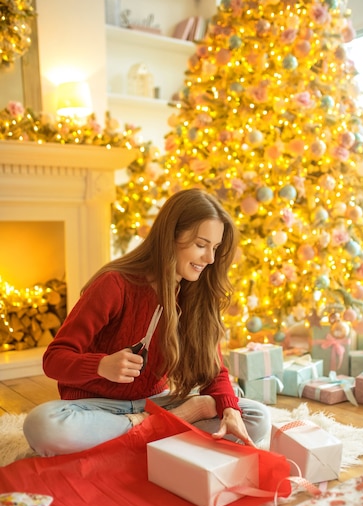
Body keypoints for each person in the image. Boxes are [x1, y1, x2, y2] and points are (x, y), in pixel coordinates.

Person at [23, 188, 271, 456]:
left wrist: (230, 410)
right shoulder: (114, 285)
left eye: (215, 248)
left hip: (156, 402)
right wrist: (102, 366)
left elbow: (214, 371)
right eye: (201, 245)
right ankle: (160, 430)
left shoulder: (197, 295)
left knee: (255, 417)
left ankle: (135, 437)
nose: (209, 259)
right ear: (170, 236)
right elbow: (54, 359)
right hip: (97, 407)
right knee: (42, 425)